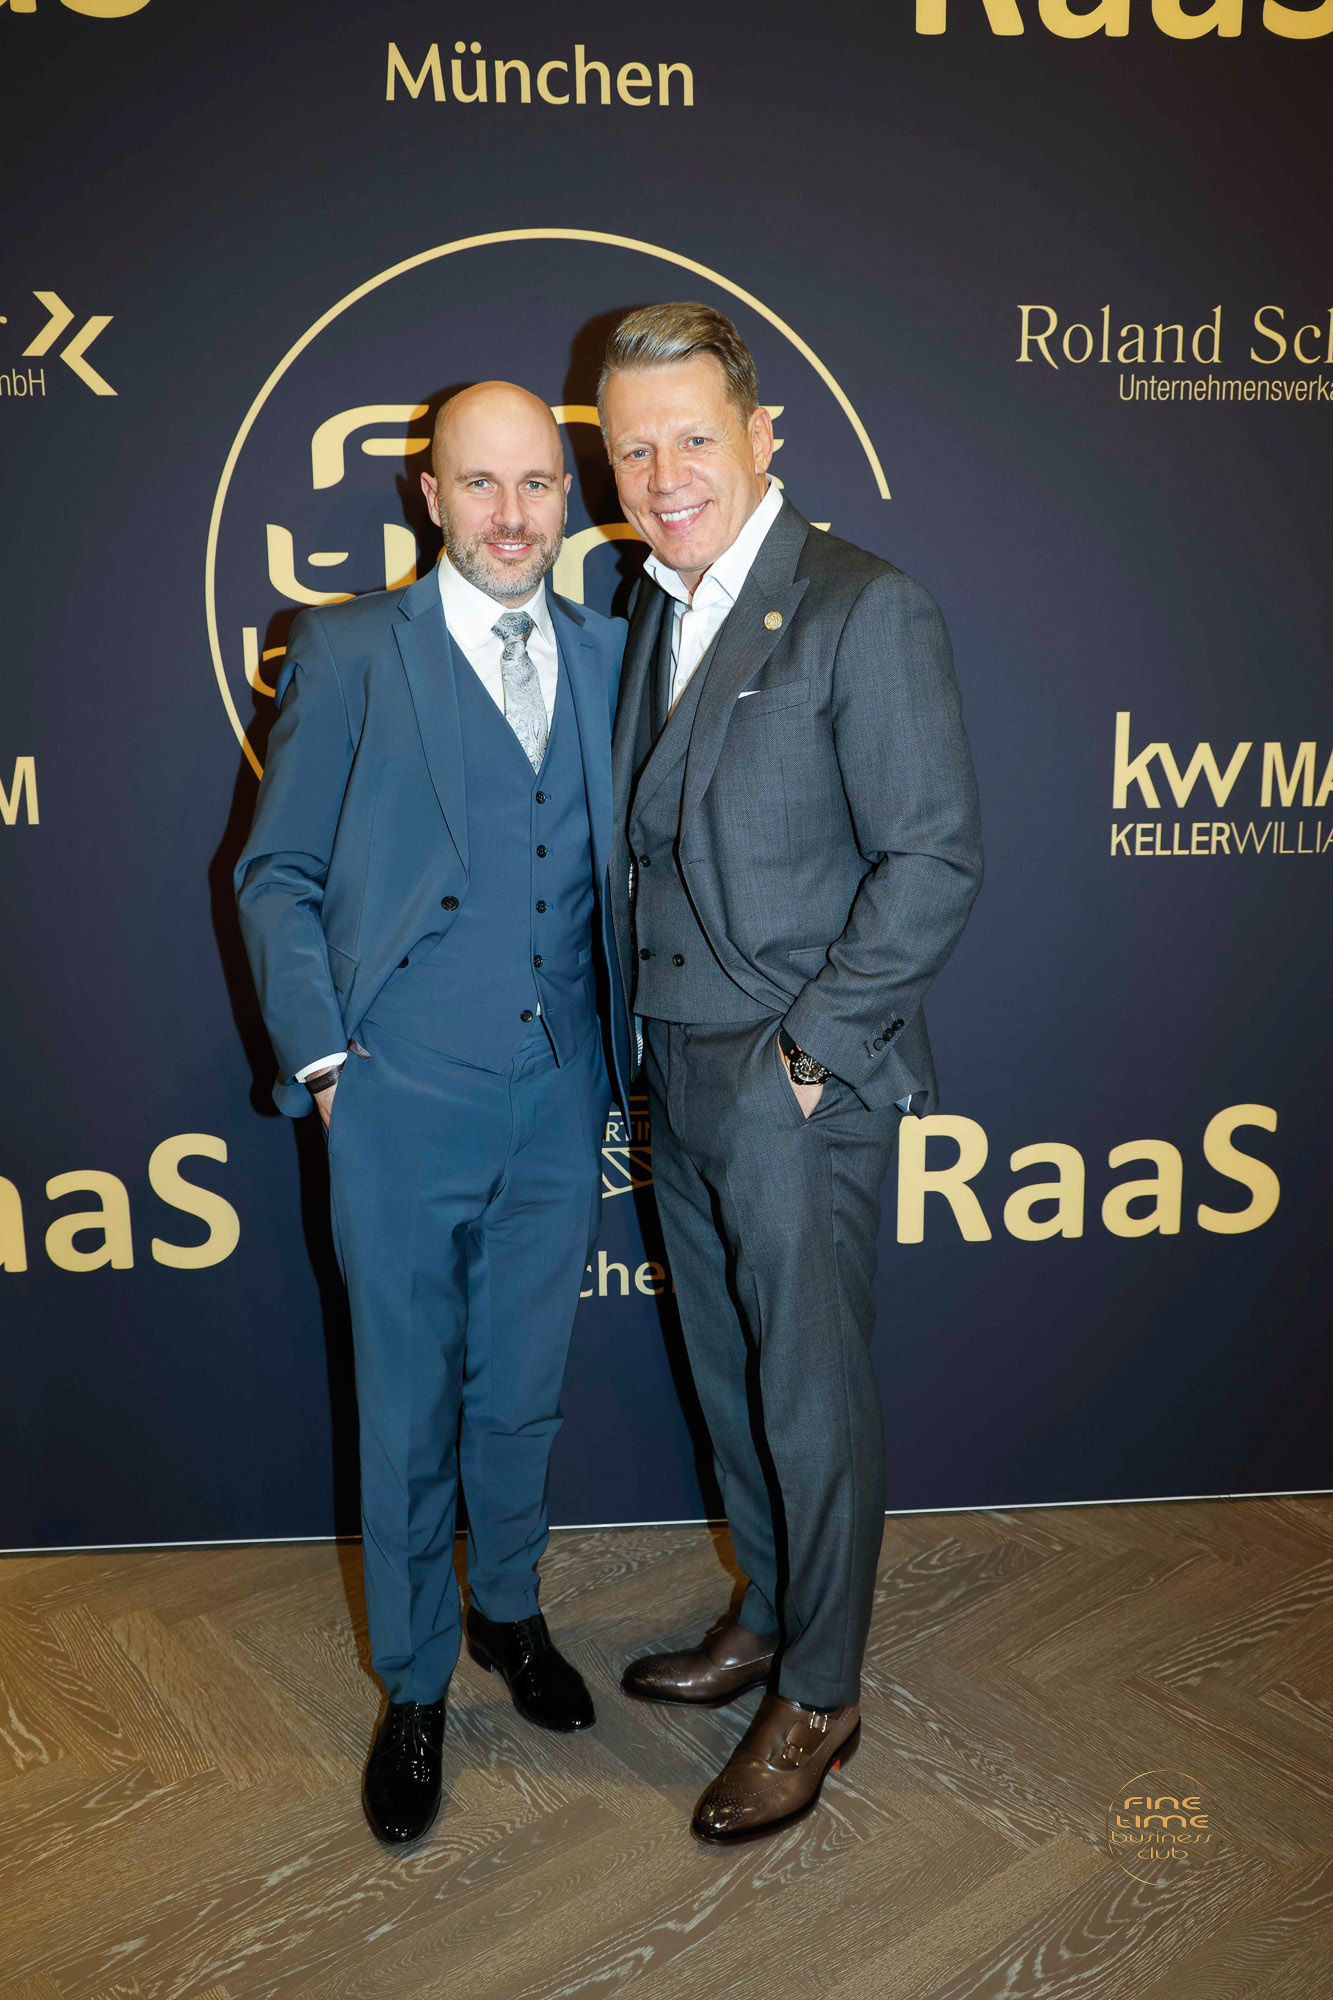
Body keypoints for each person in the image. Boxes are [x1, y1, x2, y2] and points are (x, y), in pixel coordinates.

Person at [600, 304, 982, 1842]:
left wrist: (810, 1054)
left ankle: (820, 1693)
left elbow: (932, 859)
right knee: (727, 1379)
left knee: (810, 1400)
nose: (663, 474)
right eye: (632, 448)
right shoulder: (654, 605)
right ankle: (766, 1616)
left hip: (787, 1078)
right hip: (673, 1067)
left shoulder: (860, 606)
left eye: (693, 437)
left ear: (762, 437)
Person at [235, 381, 630, 1848]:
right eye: (481, 484)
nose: (513, 516)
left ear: (567, 496)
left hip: (559, 1092)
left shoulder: (611, 653)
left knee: (522, 1384)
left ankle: (507, 1611)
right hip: (398, 1093)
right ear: (428, 494)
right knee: (405, 1402)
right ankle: (412, 1685)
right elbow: (275, 872)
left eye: (537, 484)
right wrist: (329, 1063)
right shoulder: (349, 648)